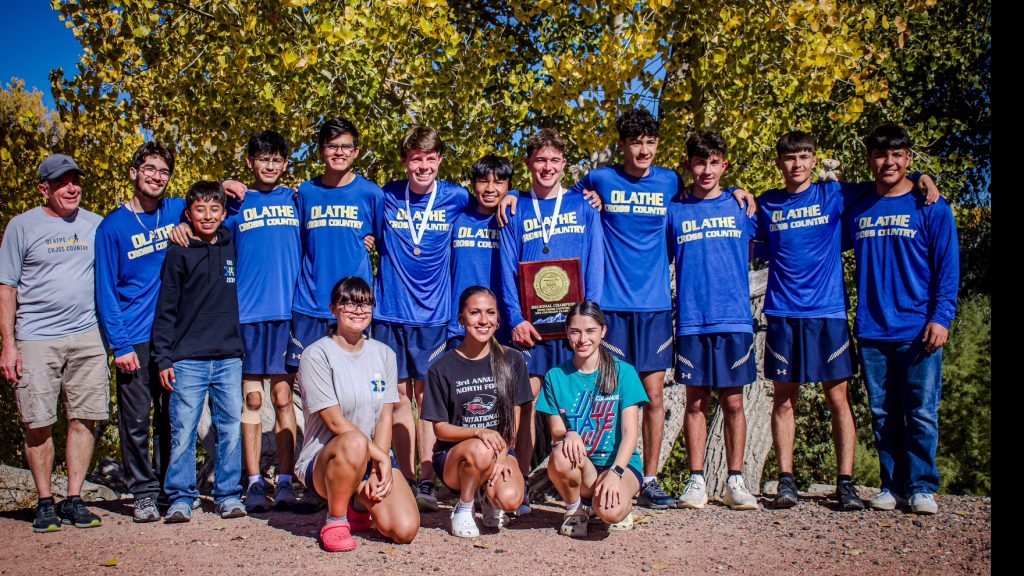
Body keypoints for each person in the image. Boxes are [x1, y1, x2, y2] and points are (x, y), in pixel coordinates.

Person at [756, 130, 942, 511]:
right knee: (784, 399)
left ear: (813, 160)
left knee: (838, 398)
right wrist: (740, 193)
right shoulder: (766, 204)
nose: (797, 164)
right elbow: (737, 222)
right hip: (782, 313)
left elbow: (891, 179)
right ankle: (786, 480)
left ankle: (846, 482)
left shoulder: (837, 195)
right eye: (790, 158)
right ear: (779, 163)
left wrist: (923, 176)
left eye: (805, 157)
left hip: (829, 313)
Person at [843, 124, 959, 515]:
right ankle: (891, 485)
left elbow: (947, 267)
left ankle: (922, 485)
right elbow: (811, 191)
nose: (888, 162)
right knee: (883, 413)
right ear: (870, 160)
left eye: (897, 155)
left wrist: (941, 317)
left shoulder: (931, 207)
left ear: (908, 158)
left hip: (919, 328)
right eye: (880, 154)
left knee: (922, 411)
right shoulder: (857, 202)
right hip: (873, 328)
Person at [499, 127, 605, 514]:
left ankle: (587, 489)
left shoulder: (583, 206)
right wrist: (514, 318)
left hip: (573, 327)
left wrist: (590, 320)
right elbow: (507, 268)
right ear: (529, 163)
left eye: (555, 160)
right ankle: (521, 483)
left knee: (581, 403)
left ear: (564, 165)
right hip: (530, 329)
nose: (547, 167)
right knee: (525, 406)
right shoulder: (514, 208)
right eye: (540, 160)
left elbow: (595, 263)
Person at [0, 154, 106, 532]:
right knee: (38, 421)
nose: (72, 188)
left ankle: (74, 498)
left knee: (85, 417)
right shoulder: (21, 227)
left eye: (75, 180)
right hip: (35, 338)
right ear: (45, 188)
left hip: (87, 335)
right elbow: (7, 287)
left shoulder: (96, 224)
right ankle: (45, 501)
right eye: (62, 182)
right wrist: (8, 344)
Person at [374, 126, 471, 511]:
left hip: (433, 316)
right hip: (389, 313)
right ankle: (406, 478)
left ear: (440, 161)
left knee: (427, 399)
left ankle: (428, 480)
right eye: (416, 158)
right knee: (397, 398)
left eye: (430, 158)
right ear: (405, 161)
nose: (423, 166)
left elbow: (489, 201)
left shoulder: (455, 198)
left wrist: (510, 197)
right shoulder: (386, 196)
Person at [668, 130, 759, 511]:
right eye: (700, 162)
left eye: (714, 162)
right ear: (689, 165)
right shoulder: (674, 210)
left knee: (734, 402)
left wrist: (743, 190)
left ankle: (736, 481)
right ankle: (696, 480)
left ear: (725, 164)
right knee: (695, 403)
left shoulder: (744, 208)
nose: (707, 170)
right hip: (691, 321)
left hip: (735, 320)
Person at [295, 276, 419, 551]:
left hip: (372, 456)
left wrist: (382, 460)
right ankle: (336, 519)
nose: (357, 310)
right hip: (327, 460)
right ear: (332, 309)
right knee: (354, 442)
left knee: (404, 530)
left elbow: (386, 415)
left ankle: (357, 502)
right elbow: (334, 421)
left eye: (365, 303)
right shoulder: (317, 355)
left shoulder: (384, 354)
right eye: (347, 302)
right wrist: (378, 455)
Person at [94, 141, 183, 522]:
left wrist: (233, 184)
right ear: (134, 173)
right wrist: (120, 344)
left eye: (163, 171)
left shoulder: (176, 209)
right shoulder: (111, 227)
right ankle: (142, 493)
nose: (156, 176)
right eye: (150, 169)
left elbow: (217, 206)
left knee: (170, 416)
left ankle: (167, 489)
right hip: (133, 338)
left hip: (172, 337)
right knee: (135, 421)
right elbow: (105, 292)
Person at [219, 131, 303, 513]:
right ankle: (254, 482)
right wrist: (221, 186)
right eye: (261, 158)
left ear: (285, 164)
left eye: (276, 159)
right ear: (250, 162)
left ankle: (285, 481)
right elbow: (190, 207)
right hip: (247, 316)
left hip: (287, 316)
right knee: (252, 399)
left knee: (284, 398)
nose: (269, 165)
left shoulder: (297, 199)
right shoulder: (233, 203)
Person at [152, 181, 245, 522]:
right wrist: (164, 357)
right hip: (187, 358)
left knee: (229, 427)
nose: (207, 216)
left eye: (214, 209)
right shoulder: (179, 250)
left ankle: (229, 494)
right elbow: (166, 309)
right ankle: (181, 496)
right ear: (188, 214)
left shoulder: (232, 243)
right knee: (184, 429)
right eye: (199, 210)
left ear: (223, 213)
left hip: (228, 356)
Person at [422, 286, 533, 537]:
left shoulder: (512, 360)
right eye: (475, 313)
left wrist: (503, 456)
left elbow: (513, 423)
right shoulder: (441, 367)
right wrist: (479, 432)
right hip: (455, 457)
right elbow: (440, 429)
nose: (483, 320)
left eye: (490, 313)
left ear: (498, 320)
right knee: (481, 448)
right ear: (461, 318)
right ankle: (464, 506)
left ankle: (488, 497)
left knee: (511, 499)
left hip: (499, 450)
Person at [535, 301, 647, 537]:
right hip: (582, 466)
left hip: (619, 465)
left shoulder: (623, 372)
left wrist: (615, 474)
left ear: (603, 331)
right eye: (575, 331)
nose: (582, 339)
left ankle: (618, 505)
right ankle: (575, 509)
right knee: (561, 454)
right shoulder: (555, 377)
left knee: (611, 512)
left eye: (590, 331)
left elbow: (630, 434)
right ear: (566, 332)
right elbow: (556, 431)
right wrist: (569, 434)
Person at [287, 118, 382, 373]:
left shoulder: (371, 193)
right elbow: (297, 240)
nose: (339, 152)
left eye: (345, 146)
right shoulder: (306, 192)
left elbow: (384, 243)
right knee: (305, 386)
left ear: (356, 152)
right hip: (310, 302)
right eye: (331, 146)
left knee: (355, 384)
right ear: (320, 150)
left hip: (353, 306)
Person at [447, 155, 513, 349]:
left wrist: (515, 195)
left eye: (499, 183)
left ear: (508, 186)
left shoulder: (513, 219)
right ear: (474, 183)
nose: (490, 189)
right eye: (483, 181)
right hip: (458, 326)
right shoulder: (457, 218)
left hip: (502, 326)